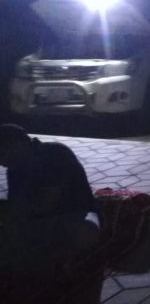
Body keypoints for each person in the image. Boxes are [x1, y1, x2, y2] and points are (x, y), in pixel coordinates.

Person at [0, 124, 101, 300]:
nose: (1, 162)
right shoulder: (15, 169)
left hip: (75, 215)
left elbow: (44, 204)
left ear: (17, 144)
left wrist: (13, 212)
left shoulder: (55, 154)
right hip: (41, 221)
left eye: (2, 154)